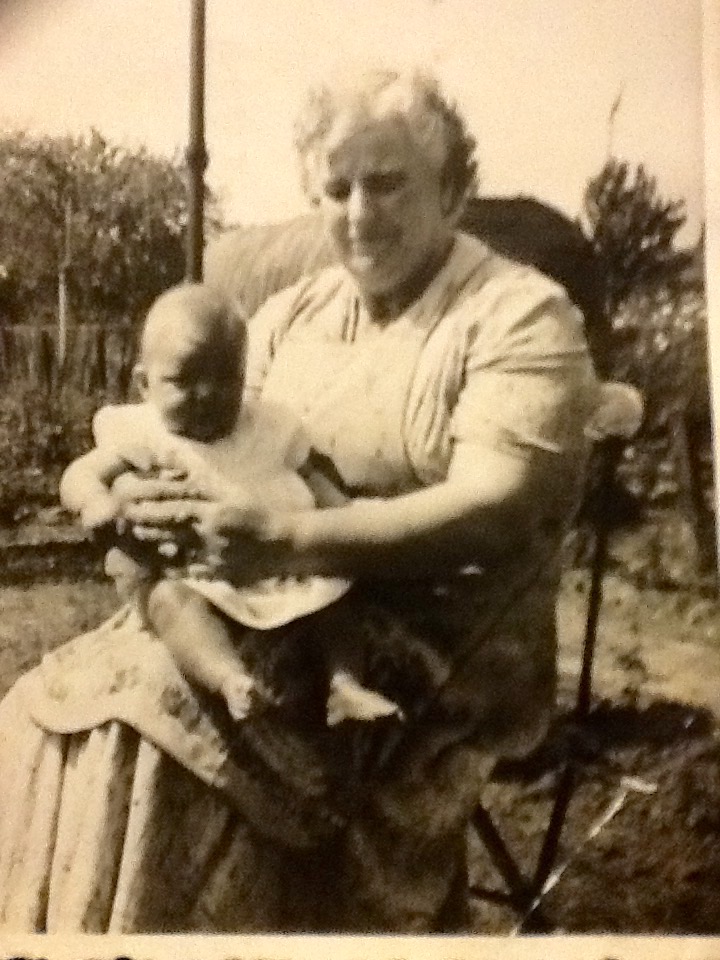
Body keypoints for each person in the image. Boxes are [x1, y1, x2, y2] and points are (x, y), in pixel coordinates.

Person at [0, 64, 599, 933]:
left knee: (150, 721)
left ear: (456, 189)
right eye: (339, 187)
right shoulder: (291, 316)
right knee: (51, 707)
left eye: (389, 183)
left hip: (444, 637)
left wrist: (290, 536)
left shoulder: (519, 316)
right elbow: (207, 439)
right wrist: (154, 508)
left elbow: (495, 505)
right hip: (258, 598)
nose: (361, 214)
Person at [60, 282, 401, 726]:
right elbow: (79, 474)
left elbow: (315, 478)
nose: (209, 393)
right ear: (145, 384)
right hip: (198, 577)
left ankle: (345, 685)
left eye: (226, 377)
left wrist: (345, 515)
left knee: (336, 598)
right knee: (168, 603)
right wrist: (95, 504)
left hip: (285, 568)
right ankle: (228, 677)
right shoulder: (143, 432)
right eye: (185, 379)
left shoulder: (270, 424)